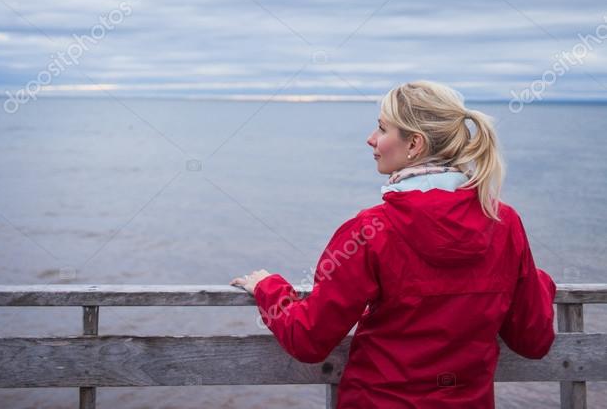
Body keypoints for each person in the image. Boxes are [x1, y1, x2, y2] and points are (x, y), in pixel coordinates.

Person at [230, 79, 557, 408]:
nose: (371, 139)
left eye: (382, 129)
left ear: (414, 143)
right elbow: (533, 340)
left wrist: (267, 287)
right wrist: (535, 281)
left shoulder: (370, 230)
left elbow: (309, 339)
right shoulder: (504, 222)